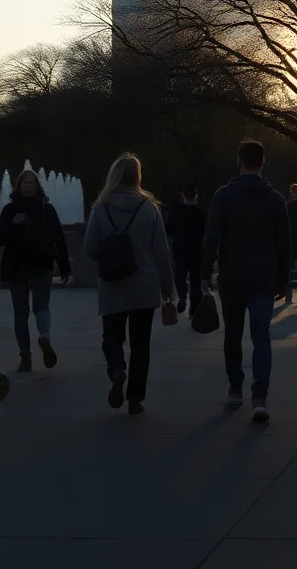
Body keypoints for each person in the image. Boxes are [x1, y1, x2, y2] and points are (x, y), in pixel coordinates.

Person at [201, 140, 290, 423]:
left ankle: (235, 386)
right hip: (264, 275)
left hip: (233, 275)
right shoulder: (275, 199)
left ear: (238, 161)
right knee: (261, 334)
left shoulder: (223, 196)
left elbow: (212, 238)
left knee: (233, 334)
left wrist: (205, 273)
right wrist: (283, 278)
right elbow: (283, 244)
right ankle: (260, 397)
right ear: (263, 163)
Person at [84, 153, 174, 415]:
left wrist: (108, 258)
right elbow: (161, 253)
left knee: (111, 336)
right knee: (141, 344)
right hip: (144, 285)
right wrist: (167, 288)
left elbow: (90, 247)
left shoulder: (100, 208)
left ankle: (116, 369)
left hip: (113, 284)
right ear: (137, 176)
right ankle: (135, 398)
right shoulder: (149, 209)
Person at [0, 169, 72, 372]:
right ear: (18, 186)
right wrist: (13, 224)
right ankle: (31, 350)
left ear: (37, 186)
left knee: (37, 308)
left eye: (31, 182)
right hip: (19, 266)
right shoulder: (11, 211)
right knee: (24, 313)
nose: (27, 186)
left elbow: (58, 238)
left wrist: (64, 266)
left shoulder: (46, 209)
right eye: (24, 183)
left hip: (39, 264)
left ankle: (38, 343)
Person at [165, 183, 207, 316]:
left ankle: (182, 296)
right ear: (196, 195)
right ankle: (195, 304)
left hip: (180, 248)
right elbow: (207, 232)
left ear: (183, 195)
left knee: (180, 274)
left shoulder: (176, 211)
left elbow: (169, 229)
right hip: (197, 250)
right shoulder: (202, 213)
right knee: (196, 277)